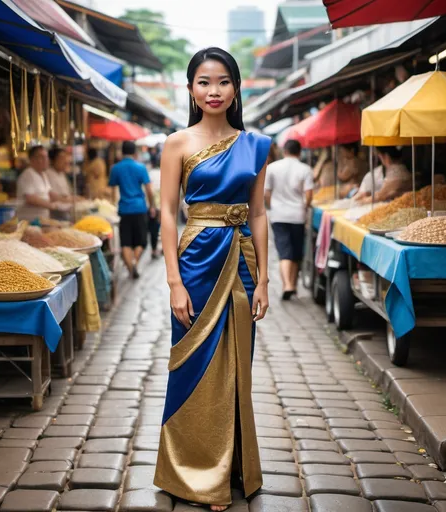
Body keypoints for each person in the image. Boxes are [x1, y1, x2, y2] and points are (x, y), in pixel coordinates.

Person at [154, 47, 271, 511]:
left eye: (223, 81)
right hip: (196, 262)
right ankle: (195, 474)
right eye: (204, 82)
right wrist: (173, 281)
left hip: (241, 262)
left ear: (236, 88)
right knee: (193, 365)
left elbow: (259, 212)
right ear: (190, 90)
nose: (214, 91)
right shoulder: (176, 144)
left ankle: (231, 467)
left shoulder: (257, 145)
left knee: (238, 364)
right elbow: (165, 212)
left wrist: (263, 280)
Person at [265, 139, 313, 300]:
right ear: (299, 152)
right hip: (297, 215)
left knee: (284, 251)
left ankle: (287, 285)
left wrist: (272, 206)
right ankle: (291, 284)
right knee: (296, 252)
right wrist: (304, 207)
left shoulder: (272, 168)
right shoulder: (305, 169)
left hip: (278, 215)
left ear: (284, 151)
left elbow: (266, 193)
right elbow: (308, 195)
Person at [109, 141, 156, 279]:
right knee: (142, 241)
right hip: (139, 208)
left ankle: (131, 268)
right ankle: (134, 263)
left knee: (126, 242)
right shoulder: (140, 167)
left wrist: (114, 205)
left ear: (121, 152)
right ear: (134, 152)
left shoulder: (115, 168)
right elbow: (149, 190)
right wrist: (152, 205)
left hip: (124, 209)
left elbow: (113, 191)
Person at [17, 145, 67, 221]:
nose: (46, 160)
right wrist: (51, 205)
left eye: (46, 157)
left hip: (43, 220)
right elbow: (30, 198)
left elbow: (50, 194)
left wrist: (67, 201)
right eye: (42, 157)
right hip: (29, 221)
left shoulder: (43, 174)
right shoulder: (28, 174)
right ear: (32, 159)